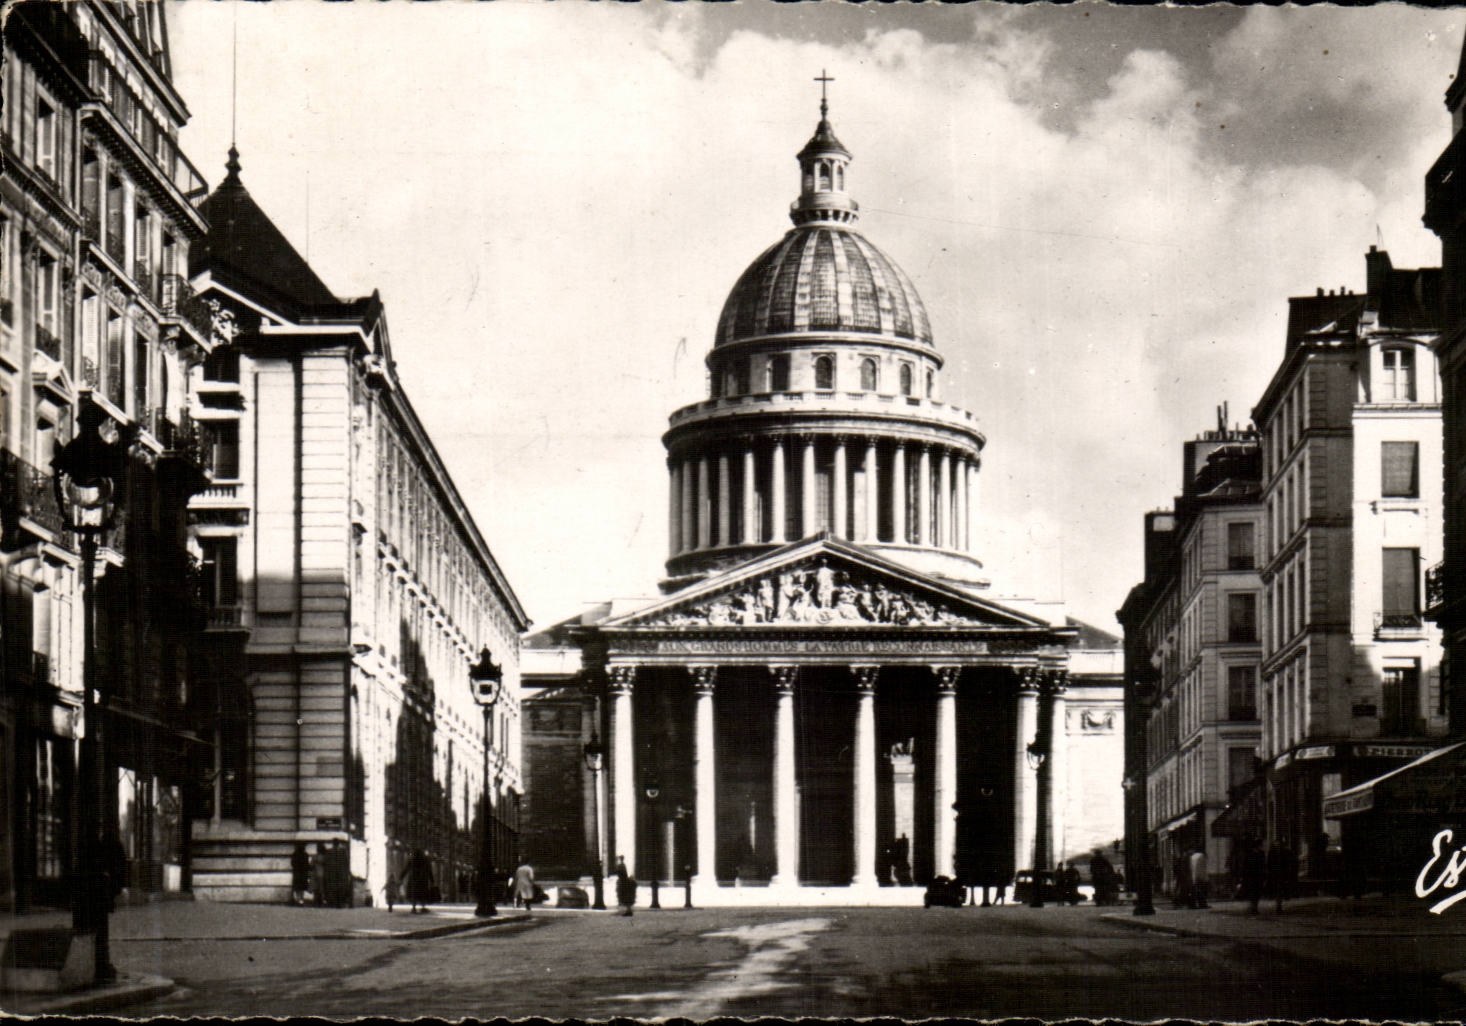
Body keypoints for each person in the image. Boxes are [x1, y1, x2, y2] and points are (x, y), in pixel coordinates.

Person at [1266, 841, 1296, 913]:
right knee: (1277, 890)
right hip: (1274, 874)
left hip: (1282, 874)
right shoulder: (1271, 853)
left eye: (1278, 845)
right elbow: (1269, 864)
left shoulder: (1284, 853)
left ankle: (1279, 906)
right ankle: (1278, 906)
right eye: (1276, 845)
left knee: (1280, 890)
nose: (1277, 846)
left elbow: (1287, 864)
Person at [1239, 838, 1267, 914]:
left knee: (1258, 892)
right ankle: (1253, 907)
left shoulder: (1261, 853)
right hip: (1251, 876)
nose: (1262, 846)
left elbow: (1263, 865)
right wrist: (1244, 876)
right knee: (1252, 892)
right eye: (1261, 845)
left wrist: (1264, 876)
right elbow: (1245, 866)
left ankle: (1255, 907)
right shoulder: (1249, 854)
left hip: (1259, 876)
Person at [404, 847, 434, 914]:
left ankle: (414, 908)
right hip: (422, 879)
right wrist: (432, 880)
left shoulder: (412, 860)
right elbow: (429, 871)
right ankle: (423, 907)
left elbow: (406, 869)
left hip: (413, 879)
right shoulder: (425, 860)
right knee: (422, 894)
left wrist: (401, 877)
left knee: (414, 894)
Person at [290, 842, 312, 906]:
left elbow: (292, 863)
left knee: (297, 887)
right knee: (302, 887)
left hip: (297, 872)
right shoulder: (305, 855)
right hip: (303, 873)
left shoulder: (295, 854)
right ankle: (301, 900)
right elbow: (307, 864)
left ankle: (298, 899)